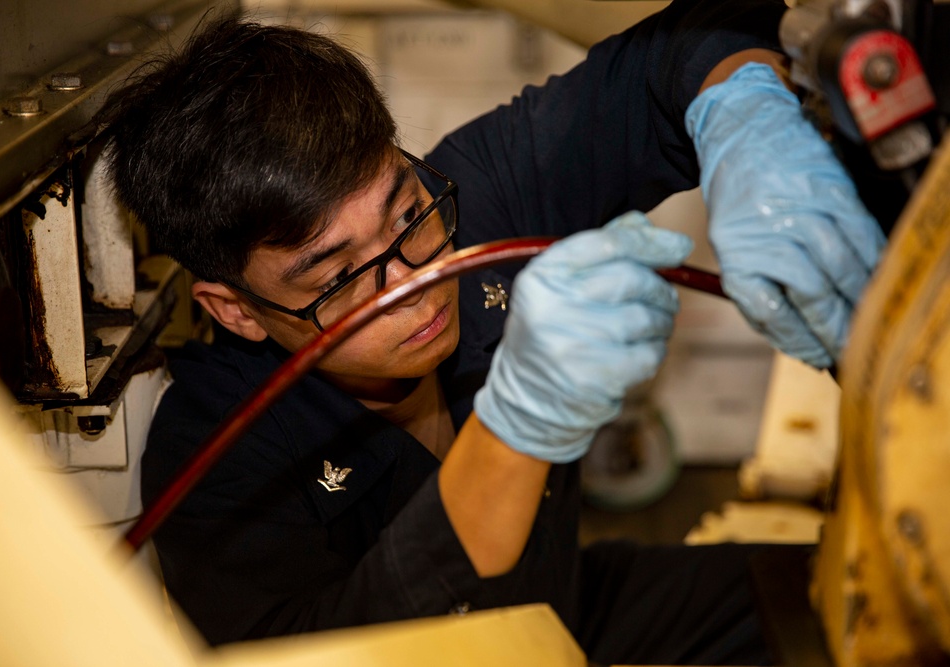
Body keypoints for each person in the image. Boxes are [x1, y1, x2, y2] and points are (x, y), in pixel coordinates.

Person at [101, 0, 884, 663]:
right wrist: (515, 431)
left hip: (560, 611)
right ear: (233, 307)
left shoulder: (478, 197)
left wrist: (743, 114)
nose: (414, 283)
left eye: (407, 214)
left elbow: (679, 51)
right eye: (335, 277)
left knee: (862, 603)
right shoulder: (215, 460)